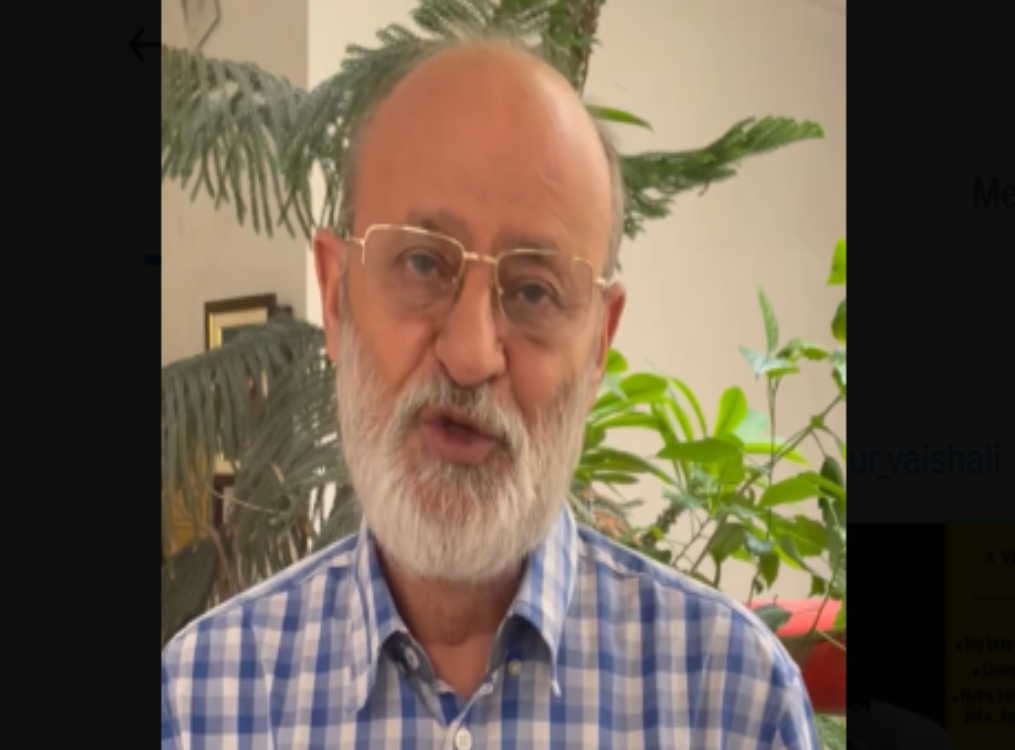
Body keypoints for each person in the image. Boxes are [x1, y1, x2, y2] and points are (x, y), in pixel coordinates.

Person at [162, 33, 820, 750]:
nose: (470, 354)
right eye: (422, 263)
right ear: (336, 295)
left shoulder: (733, 704)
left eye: (534, 290)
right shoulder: (201, 705)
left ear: (598, 346)